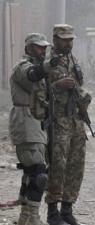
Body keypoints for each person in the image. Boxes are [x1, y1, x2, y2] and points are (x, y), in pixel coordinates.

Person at [43, 24, 92, 225]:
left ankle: (67, 209)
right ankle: (53, 212)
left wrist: (84, 102)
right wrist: (56, 86)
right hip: (57, 120)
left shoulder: (72, 59)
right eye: (64, 39)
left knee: (75, 165)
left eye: (71, 39)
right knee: (57, 166)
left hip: (75, 120)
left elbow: (79, 86)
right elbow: (37, 92)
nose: (68, 43)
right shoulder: (46, 62)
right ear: (55, 39)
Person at [9, 33, 50, 225]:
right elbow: (32, 76)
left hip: (37, 124)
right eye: (37, 47)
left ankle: (25, 217)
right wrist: (50, 65)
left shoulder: (41, 69)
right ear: (28, 49)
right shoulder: (23, 68)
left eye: (44, 47)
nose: (42, 50)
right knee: (38, 172)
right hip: (26, 123)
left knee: (30, 172)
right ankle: (33, 218)